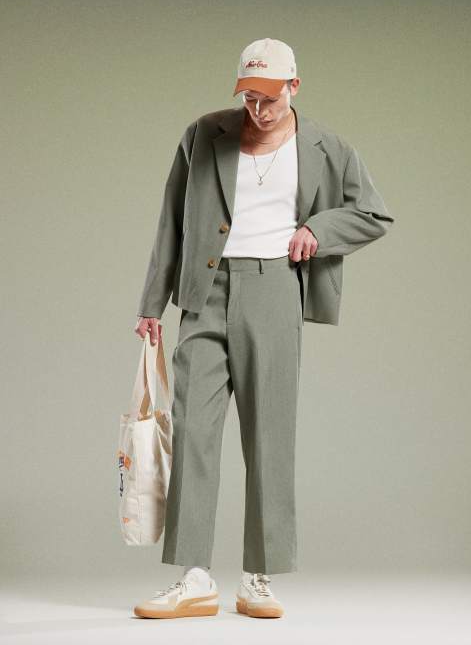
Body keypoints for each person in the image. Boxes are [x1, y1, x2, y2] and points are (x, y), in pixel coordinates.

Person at [132, 37, 395, 620]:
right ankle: (193, 576)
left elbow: (374, 212)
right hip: (204, 293)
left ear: (294, 87)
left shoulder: (327, 147)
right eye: (248, 97)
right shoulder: (204, 134)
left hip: (274, 288)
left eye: (270, 98)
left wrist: (319, 231)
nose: (258, 109)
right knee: (193, 429)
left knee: (269, 435)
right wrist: (153, 302)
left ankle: (259, 577)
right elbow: (171, 218)